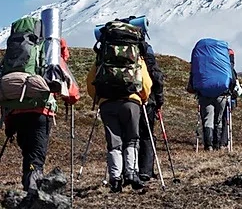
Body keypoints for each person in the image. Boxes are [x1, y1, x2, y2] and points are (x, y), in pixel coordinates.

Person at [3, 37, 80, 194]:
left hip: (16, 111)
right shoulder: (51, 55)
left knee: (29, 152)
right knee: (36, 155)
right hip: (40, 112)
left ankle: (28, 184)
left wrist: (8, 122)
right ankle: (33, 189)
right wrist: (71, 98)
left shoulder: (19, 58)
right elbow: (72, 92)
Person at [86, 22, 153, 193]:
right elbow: (146, 82)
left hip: (107, 103)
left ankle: (115, 178)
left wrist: (99, 98)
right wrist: (142, 98)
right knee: (132, 138)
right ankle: (131, 173)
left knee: (113, 141)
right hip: (131, 102)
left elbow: (90, 82)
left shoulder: (103, 55)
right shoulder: (136, 55)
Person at [187, 41, 239, 151]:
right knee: (218, 120)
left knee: (207, 120)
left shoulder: (202, 58)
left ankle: (208, 146)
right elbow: (232, 78)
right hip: (222, 93)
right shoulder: (224, 60)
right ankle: (217, 145)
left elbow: (193, 75)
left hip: (204, 93)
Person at [137, 41, 165, 182]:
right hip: (146, 99)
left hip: (117, 98)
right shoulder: (145, 48)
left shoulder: (110, 45)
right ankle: (145, 171)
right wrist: (159, 100)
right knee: (146, 135)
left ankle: (126, 171)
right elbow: (156, 75)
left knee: (125, 136)